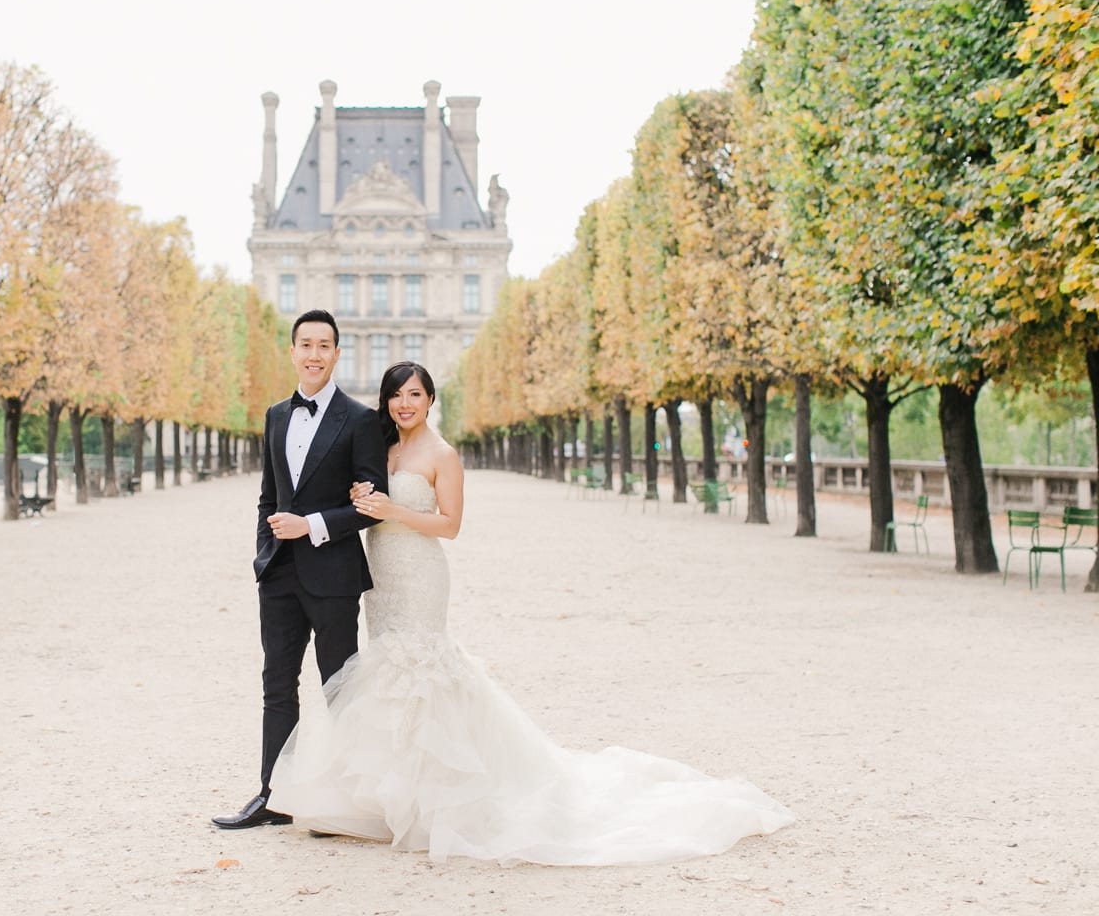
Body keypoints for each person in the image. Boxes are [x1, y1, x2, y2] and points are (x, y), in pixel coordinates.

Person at [267, 361, 795, 864]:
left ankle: (432, 800)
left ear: (431, 400)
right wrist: (363, 496)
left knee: (422, 668)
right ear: (386, 402)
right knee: (387, 675)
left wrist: (394, 509)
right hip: (379, 576)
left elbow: (450, 526)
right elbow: (358, 499)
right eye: (397, 395)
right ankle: (391, 795)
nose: (405, 404)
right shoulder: (378, 445)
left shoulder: (442, 454)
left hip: (420, 573)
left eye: (416, 395)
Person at [212, 310, 389, 830]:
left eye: (323, 345)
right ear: (292, 352)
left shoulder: (359, 419)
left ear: (336, 354)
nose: (313, 354)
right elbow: (268, 494)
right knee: (277, 686)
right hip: (281, 574)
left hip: (333, 575)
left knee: (340, 690)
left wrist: (309, 524)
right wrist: (264, 552)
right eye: (305, 344)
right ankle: (272, 797)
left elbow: (370, 503)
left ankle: (345, 799)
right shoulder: (274, 415)